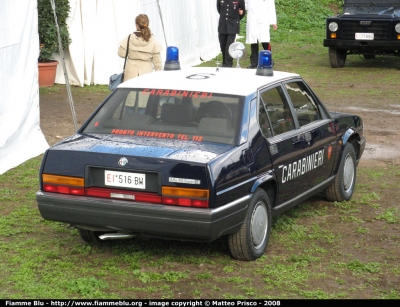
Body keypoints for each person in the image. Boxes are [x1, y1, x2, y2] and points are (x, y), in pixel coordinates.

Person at [118, 14, 163, 81]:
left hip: (130, 72)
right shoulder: (153, 40)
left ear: (136, 25)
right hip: (146, 72)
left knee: (130, 90)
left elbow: (121, 53)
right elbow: (157, 63)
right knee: (145, 91)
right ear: (147, 24)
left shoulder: (129, 38)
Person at [245, 0, 278, 68]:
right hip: (252, 20)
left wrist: (273, 22)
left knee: (265, 41)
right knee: (253, 42)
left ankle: (268, 60)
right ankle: (254, 62)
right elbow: (245, 5)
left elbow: (271, 7)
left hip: (263, 20)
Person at [217, 0, 246, 67]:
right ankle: (224, 62)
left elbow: (242, 12)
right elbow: (219, 9)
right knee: (222, 44)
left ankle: (229, 63)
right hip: (223, 24)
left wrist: (235, 19)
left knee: (229, 45)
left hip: (233, 25)